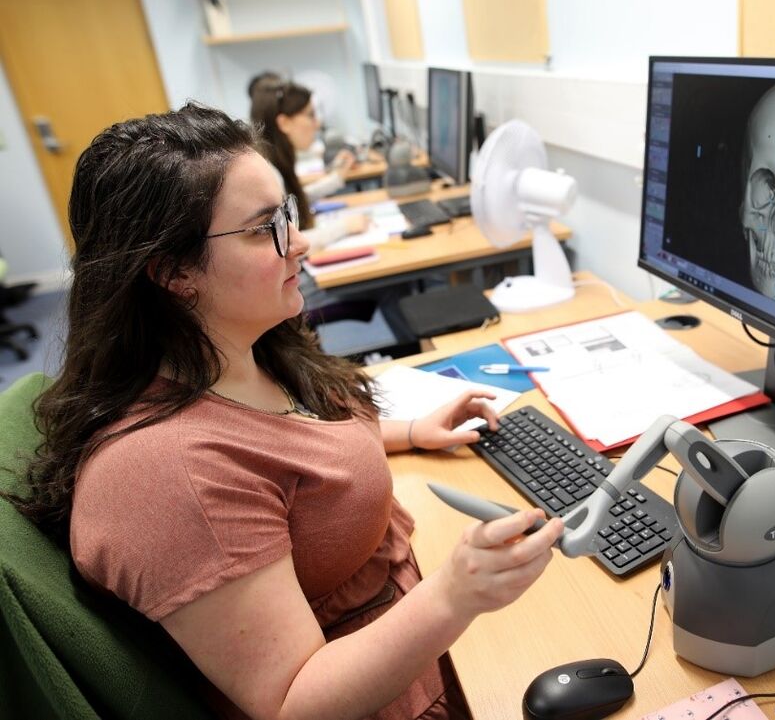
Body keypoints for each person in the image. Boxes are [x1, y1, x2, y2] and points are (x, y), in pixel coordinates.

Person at [5, 103, 564, 720]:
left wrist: (407, 431)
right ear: (172, 271)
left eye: (288, 214)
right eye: (263, 227)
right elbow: (290, 704)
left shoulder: (242, 348)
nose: (298, 241)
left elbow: (283, 443)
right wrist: (457, 594)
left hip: (410, 623)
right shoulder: (167, 477)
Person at [250, 80, 367, 251]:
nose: (317, 123)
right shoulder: (268, 172)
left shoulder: (273, 159)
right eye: (310, 115)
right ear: (284, 123)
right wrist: (344, 227)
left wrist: (336, 178)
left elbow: (293, 200)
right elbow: (285, 245)